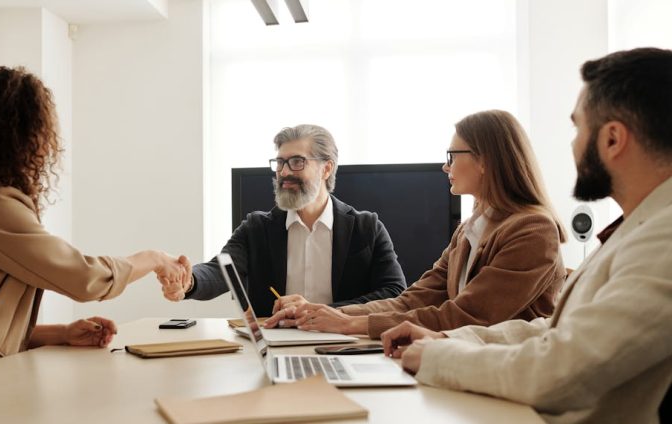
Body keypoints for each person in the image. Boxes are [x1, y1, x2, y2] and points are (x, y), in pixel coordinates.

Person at [380, 47, 672, 424]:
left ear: (613, 139)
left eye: (577, 127)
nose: (572, 144)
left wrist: (439, 357)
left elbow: (563, 370)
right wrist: (448, 341)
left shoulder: (662, 239)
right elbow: (553, 331)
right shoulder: (638, 228)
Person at [0, 67, 188, 379]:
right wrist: (154, 258)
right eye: (42, 130)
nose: (47, 143)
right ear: (19, 134)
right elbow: (84, 278)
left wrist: (61, 333)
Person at [265, 110, 567, 338]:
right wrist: (331, 314)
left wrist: (352, 323)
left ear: (485, 160)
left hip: (505, 380)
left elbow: (468, 316)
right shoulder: (468, 230)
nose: (445, 166)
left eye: (452, 155)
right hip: (462, 363)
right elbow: (412, 299)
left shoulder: (533, 231)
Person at [159, 124, 406, 317]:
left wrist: (324, 312)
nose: (284, 172)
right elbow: (220, 271)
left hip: (345, 342)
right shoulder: (256, 228)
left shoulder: (366, 228)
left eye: (296, 162)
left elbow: (394, 294)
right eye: (280, 162)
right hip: (276, 343)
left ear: (326, 168)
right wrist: (188, 281)